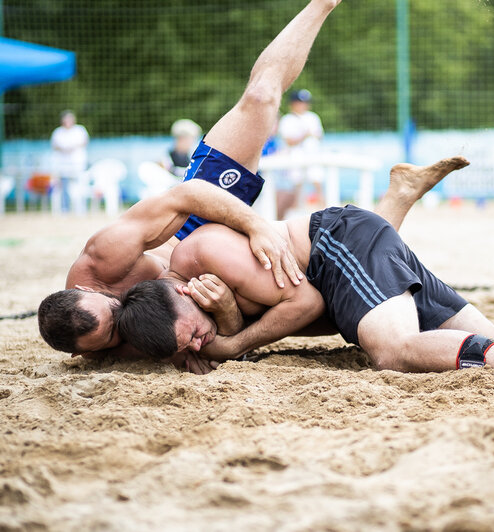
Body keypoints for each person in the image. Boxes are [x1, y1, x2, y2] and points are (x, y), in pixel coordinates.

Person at [37, 0, 348, 367]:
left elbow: (187, 194)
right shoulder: (104, 349)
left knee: (261, 97)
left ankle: (321, 4)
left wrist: (255, 226)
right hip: (208, 287)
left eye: (111, 307)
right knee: (325, 312)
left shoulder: (103, 258)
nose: (121, 314)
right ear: (84, 351)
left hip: (191, 227)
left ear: (85, 289)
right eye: (110, 332)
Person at [116, 201, 494, 380]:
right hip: (356, 261)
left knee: (392, 351)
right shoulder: (197, 304)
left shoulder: (207, 257)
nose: (200, 344)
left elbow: (310, 303)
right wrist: (220, 334)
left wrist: (233, 343)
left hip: (343, 247)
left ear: (182, 294)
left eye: (193, 335)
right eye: (190, 348)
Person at [277, 89, 325, 218]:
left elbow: (319, 136)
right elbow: (289, 140)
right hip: (294, 158)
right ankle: (295, 213)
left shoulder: (313, 117)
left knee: (317, 181)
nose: (303, 105)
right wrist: (304, 135)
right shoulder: (287, 120)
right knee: (295, 186)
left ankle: (324, 209)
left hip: (312, 156)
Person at [50, 110, 89, 214]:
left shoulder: (79, 130)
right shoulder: (58, 132)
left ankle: (81, 209)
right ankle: (65, 210)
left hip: (77, 165)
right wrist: (65, 148)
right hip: (63, 166)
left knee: (80, 187)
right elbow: (55, 146)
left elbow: (84, 142)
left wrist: (71, 147)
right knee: (64, 188)